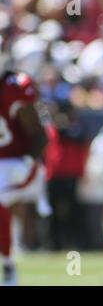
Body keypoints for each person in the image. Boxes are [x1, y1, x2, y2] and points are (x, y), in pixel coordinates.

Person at [0, 70, 50, 285]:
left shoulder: (13, 87)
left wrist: (28, 161)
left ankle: (8, 262)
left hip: (16, 163)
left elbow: (40, 136)